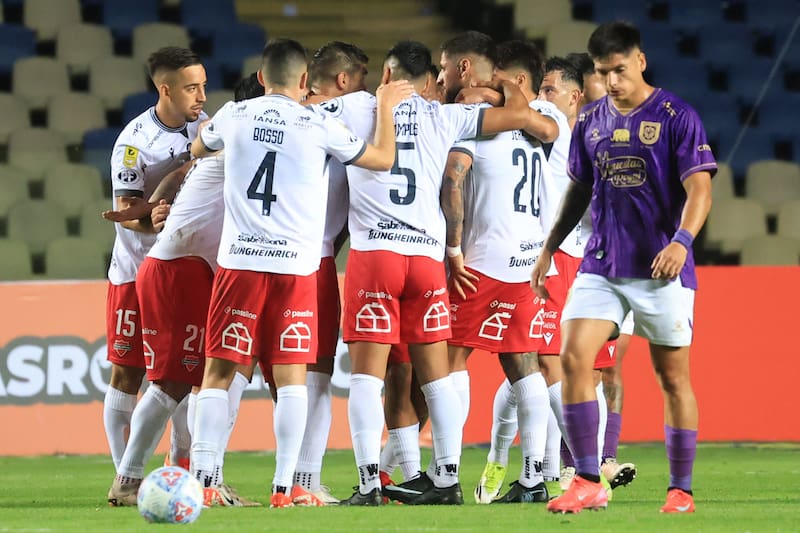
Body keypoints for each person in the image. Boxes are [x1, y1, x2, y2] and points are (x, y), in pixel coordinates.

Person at [188, 38, 412, 509]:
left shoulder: (234, 114)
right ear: (305, 80)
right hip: (298, 268)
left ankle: (204, 480)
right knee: (294, 379)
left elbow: (197, 146)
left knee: (219, 372)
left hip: (240, 263)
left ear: (261, 77)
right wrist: (387, 109)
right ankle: (284, 487)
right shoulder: (320, 124)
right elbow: (382, 160)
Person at [319, 38, 529, 506]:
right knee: (436, 379)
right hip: (426, 261)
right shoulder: (445, 115)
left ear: (387, 76)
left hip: (376, 257)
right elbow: (518, 114)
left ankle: (370, 484)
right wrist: (497, 85)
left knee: (367, 379)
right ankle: (447, 479)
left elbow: (301, 112)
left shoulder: (356, 107)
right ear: (430, 80)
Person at [531, 21, 715, 514]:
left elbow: (700, 189)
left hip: (660, 267)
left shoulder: (677, 116)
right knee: (574, 357)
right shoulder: (590, 120)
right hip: (602, 264)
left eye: (619, 70)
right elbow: (579, 189)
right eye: (602, 72)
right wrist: (550, 246)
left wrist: (681, 242)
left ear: (640, 61)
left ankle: (680, 490)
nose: (611, 81)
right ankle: (587, 479)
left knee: (672, 378)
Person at [106, 74, 263, 508]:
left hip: (193, 266)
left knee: (206, 376)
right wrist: (146, 213)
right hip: (180, 269)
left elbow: (184, 167)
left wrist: (156, 204)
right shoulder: (243, 138)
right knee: (173, 382)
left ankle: (198, 477)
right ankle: (130, 479)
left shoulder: (228, 138)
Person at [440, 38, 560, 505]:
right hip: (528, 260)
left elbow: (454, 179)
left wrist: (453, 247)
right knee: (524, 365)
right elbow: (545, 128)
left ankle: (445, 473)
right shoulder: (538, 120)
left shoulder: (475, 119)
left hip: (483, 260)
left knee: (450, 360)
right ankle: (533, 479)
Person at [103, 46, 206, 504]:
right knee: (128, 374)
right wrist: (153, 221)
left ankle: (180, 467)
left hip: (183, 270)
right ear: (166, 90)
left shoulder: (207, 127)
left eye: (203, 85)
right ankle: (126, 475)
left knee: (184, 370)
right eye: (191, 88)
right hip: (134, 270)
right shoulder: (134, 141)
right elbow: (126, 212)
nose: (201, 96)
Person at [291, 40, 370, 506]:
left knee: (229, 370)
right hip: (312, 262)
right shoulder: (359, 110)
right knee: (316, 375)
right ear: (344, 79)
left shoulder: (276, 112)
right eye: (361, 77)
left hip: (249, 255)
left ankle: (208, 475)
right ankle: (304, 481)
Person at [567, 52, 639, 490]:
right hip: (576, 263)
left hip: (621, 264)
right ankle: (571, 462)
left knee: (609, 369)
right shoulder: (569, 134)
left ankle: (605, 458)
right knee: (575, 367)